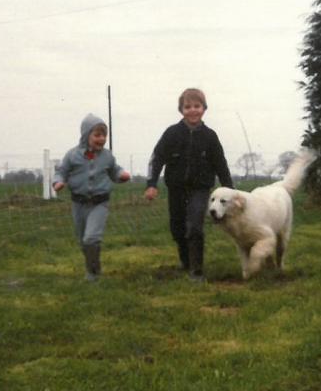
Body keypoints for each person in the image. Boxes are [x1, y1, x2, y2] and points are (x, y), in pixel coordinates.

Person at [144, 88, 233, 281]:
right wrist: (151, 184)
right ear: (181, 109)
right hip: (176, 189)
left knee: (195, 226)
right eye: (188, 107)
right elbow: (157, 159)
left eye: (197, 106)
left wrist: (230, 189)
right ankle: (186, 262)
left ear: (204, 108)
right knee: (177, 228)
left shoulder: (210, 136)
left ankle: (197, 270)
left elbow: (221, 164)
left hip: (200, 189)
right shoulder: (171, 133)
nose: (192, 110)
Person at [53, 114, 130, 281]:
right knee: (83, 241)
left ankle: (93, 274)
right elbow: (61, 172)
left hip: (99, 203)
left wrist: (121, 175)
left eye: (104, 135)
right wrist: (58, 182)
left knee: (91, 238)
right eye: (97, 135)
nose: (101, 139)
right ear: (86, 135)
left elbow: (114, 170)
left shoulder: (107, 156)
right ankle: (92, 268)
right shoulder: (72, 155)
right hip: (78, 203)